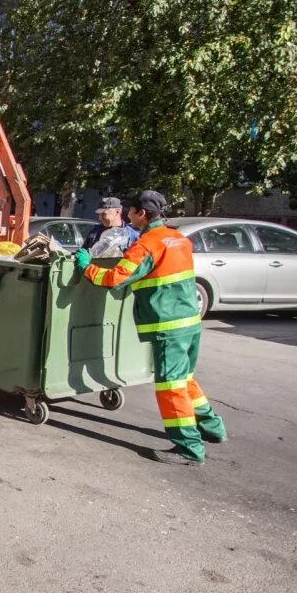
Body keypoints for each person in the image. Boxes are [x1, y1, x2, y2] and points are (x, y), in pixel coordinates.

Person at [74, 190, 227, 464]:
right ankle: (212, 428)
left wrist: (87, 267)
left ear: (140, 213)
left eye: (130, 211)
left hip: (168, 325)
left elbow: (114, 279)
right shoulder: (179, 240)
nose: (128, 216)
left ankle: (189, 448)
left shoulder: (146, 245)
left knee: (170, 386)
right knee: (185, 379)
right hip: (190, 321)